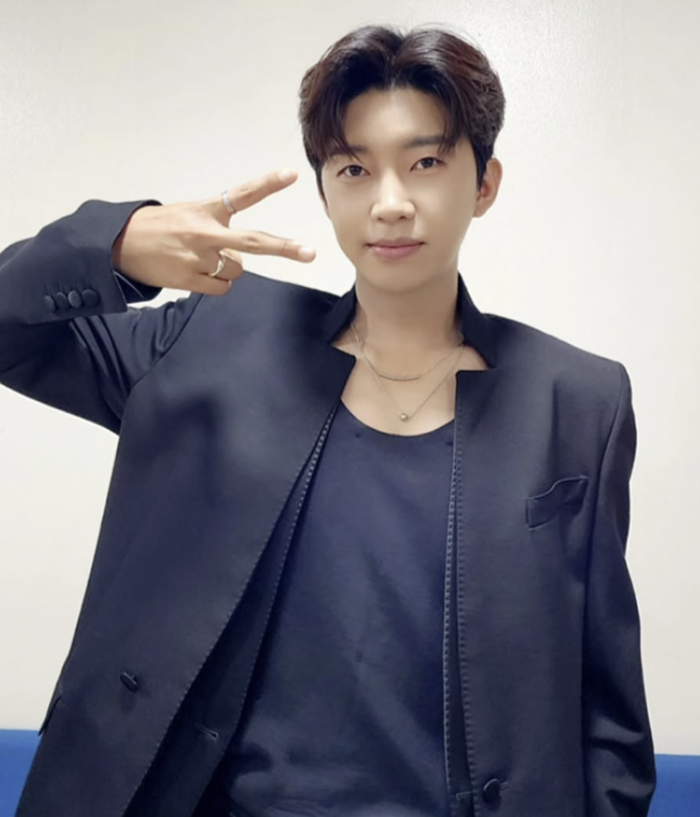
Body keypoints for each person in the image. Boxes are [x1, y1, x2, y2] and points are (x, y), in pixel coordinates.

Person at [0, 23, 655, 817]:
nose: (390, 203)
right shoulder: (214, 338)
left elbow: (607, 713)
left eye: (425, 163)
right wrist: (114, 245)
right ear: (326, 191)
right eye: (354, 168)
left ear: (484, 184)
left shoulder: (577, 399)